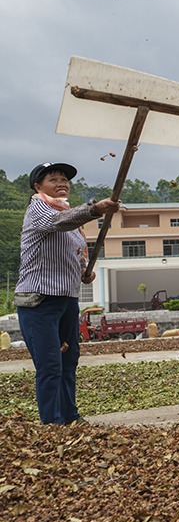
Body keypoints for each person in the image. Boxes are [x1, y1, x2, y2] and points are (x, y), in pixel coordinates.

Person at [15, 162, 121, 425]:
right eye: (54, 179)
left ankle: (71, 417)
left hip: (66, 300)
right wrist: (95, 209)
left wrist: (85, 271)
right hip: (38, 301)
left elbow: (74, 253)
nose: (62, 183)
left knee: (68, 361)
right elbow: (58, 223)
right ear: (39, 187)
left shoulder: (73, 221)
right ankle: (53, 425)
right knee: (50, 365)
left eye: (64, 179)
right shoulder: (39, 208)